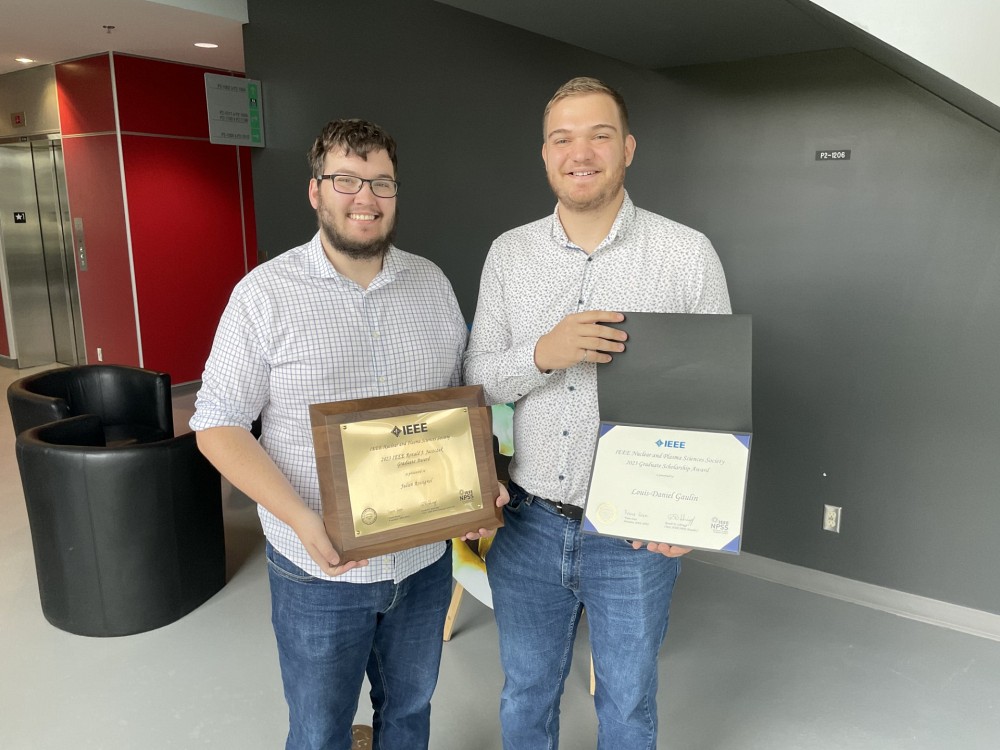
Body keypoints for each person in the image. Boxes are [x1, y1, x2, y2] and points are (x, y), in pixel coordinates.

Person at [191, 118, 505, 750]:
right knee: (318, 731)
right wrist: (304, 521)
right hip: (318, 570)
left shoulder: (434, 286)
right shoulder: (264, 294)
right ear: (315, 191)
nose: (365, 197)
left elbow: (463, 404)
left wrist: (482, 482)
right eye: (346, 179)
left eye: (381, 182)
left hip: (422, 564)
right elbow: (217, 424)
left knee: (410, 717)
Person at [464, 77, 732, 749]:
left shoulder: (686, 254)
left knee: (629, 700)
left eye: (598, 135)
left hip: (637, 538)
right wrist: (544, 353)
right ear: (545, 154)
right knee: (526, 693)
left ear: (628, 148)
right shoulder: (508, 254)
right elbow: (477, 378)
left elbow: (716, 400)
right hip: (526, 524)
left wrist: (698, 516)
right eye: (562, 138)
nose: (579, 152)